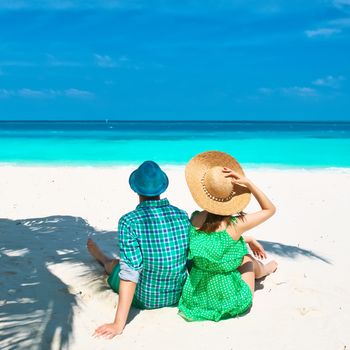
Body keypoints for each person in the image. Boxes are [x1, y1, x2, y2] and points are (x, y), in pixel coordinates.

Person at [87, 161, 189, 338]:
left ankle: (103, 259)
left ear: (136, 189)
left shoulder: (129, 221)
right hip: (177, 294)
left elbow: (131, 272)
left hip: (146, 299)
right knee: (125, 263)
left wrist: (118, 324)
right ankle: (104, 259)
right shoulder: (182, 215)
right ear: (162, 188)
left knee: (117, 266)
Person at [178, 151, 277, 321]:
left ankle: (266, 268)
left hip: (197, 298)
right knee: (246, 259)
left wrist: (248, 239)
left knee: (235, 253)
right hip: (229, 299)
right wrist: (248, 184)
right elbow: (270, 209)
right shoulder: (236, 225)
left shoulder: (195, 219)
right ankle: (267, 269)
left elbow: (211, 241)